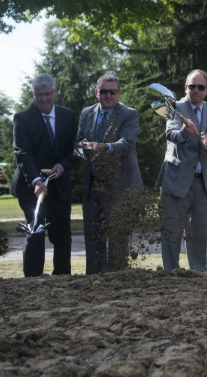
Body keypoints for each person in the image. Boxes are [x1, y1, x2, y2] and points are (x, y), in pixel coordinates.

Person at [11, 74, 79, 277]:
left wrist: (62, 166)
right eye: (39, 95)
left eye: (48, 94)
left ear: (55, 93)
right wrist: (36, 180)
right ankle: (33, 281)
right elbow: (23, 153)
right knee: (35, 233)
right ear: (33, 94)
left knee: (62, 235)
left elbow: (75, 149)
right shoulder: (22, 118)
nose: (43, 99)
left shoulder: (68, 116)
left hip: (60, 187)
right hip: (31, 187)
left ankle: (63, 278)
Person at [75, 74, 144, 274]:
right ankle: (93, 279)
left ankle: (117, 280)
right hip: (93, 184)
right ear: (97, 93)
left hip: (120, 186)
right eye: (103, 91)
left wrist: (104, 147)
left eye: (112, 92)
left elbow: (128, 143)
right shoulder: (87, 113)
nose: (108, 95)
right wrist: (83, 145)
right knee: (92, 234)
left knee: (118, 236)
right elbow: (78, 140)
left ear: (118, 93)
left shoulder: (129, 114)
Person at [156, 69, 207, 271]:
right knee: (172, 230)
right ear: (185, 87)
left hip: (202, 181)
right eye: (191, 86)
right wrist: (184, 133)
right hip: (175, 179)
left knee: (199, 232)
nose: (195, 90)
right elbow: (170, 132)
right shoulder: (175, 107)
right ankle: (170, 271)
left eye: (200, 87)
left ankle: (199, 271)